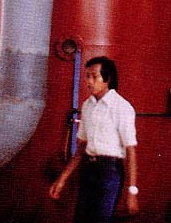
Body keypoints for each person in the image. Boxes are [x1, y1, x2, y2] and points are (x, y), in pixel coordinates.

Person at [49, 56, 139, 223]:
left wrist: (132, 192)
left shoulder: (121, 107)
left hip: (110, 172)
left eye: (94, 76)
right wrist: (62, 180)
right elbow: (81, 148)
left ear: (107, 78)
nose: (89, 81)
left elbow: (131, 151)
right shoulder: (87, 106)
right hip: (89, 169)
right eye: (87, 76)